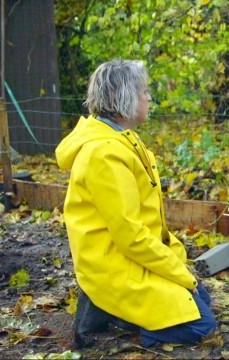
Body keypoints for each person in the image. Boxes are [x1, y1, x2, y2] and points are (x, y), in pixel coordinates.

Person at [55, 60, 216, 348]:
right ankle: (126, 328)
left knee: (200, 300)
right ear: (125, 97)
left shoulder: (122, 140)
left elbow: (144, 223)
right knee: (201, 325)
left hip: (131, 257)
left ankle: (125, 315)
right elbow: (131, 236)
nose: (149, 97)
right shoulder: (104, 153)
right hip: (113, 264)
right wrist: (181, 274)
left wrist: (178, 264)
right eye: (144, 91)